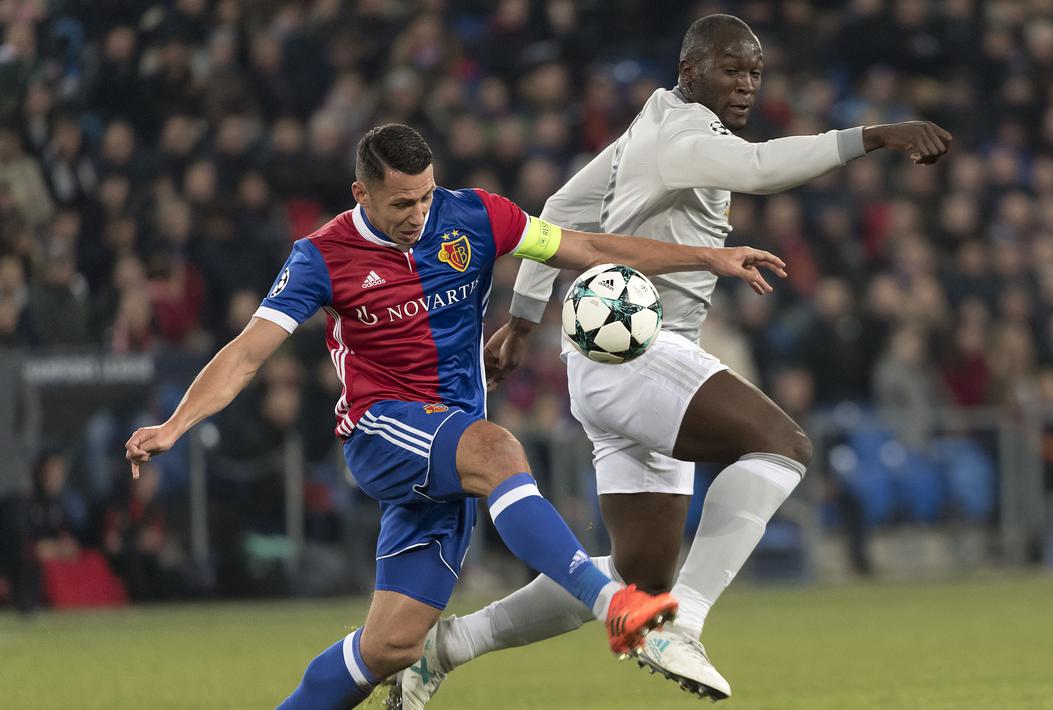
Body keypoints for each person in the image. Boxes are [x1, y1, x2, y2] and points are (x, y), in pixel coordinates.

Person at [123, 122, 786, 710]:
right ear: (362, 196)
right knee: (500, 451)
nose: (417, 214)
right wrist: (173, 426)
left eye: (425, 196)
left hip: (449, 448)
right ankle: (619, 609)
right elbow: (245, 355)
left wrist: (709, 257)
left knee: (389, 647)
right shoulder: (320, 257)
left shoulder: (474, 217)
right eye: (401, 203)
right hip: (383, 430)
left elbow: (583, 248)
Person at [400, 14, 952, 705]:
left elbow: (558, 207)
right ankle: (682, 624)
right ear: (690, 71)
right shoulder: (682, 134)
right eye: (731, 69)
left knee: (638, 577)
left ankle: (449, 645)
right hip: (633, 350)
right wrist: (874, 135)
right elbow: (759, 168)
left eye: (754, 71)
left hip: (615, 363)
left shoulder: (649, 126)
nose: (747, 84)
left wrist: (522, 317)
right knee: (781, 446)